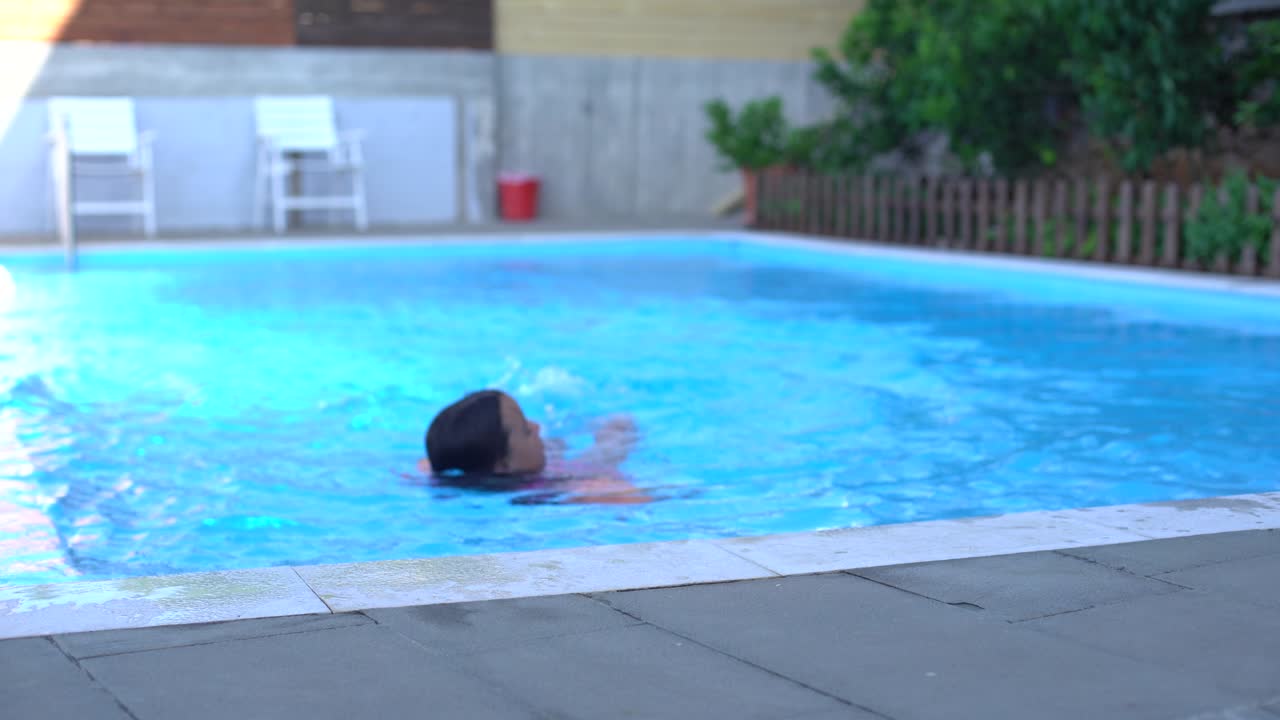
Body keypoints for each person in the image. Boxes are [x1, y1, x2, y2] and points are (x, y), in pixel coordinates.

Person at [419, 390, 649, 505]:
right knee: (619, 434)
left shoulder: (438, 468)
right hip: (559, 477)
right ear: (504, 464)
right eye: (526, 431)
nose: (537, 427)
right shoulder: (547, 491)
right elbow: (633, 497)